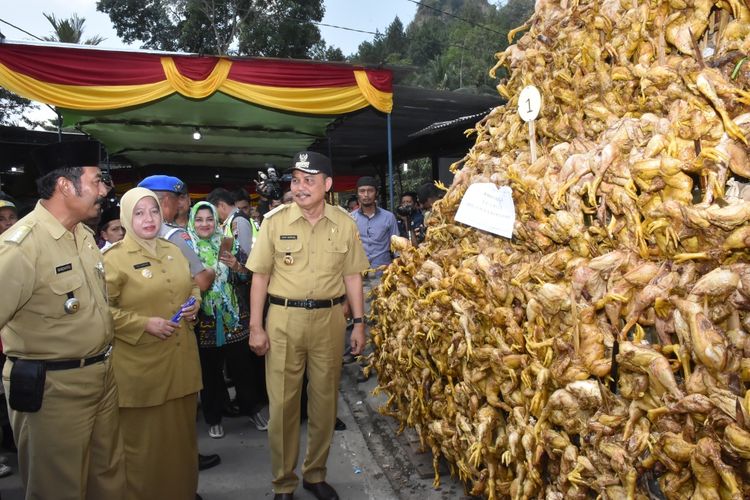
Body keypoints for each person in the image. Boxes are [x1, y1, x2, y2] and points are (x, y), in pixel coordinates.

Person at [0, 140, 126, 499]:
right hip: (53, 390)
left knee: (108, 478)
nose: (105, 190)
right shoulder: (20, 248)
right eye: (98, 180)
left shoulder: (84, 237)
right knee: (57, 488)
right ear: (65, 186)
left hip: (101, 377)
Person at [247, 151, 368, 500]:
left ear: (327, 185)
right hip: (284, 319)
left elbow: (353, 277)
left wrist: (358, 324)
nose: (299, 188)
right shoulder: (275, 221)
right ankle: (283, 482)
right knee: (283, 404)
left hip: (330, 320)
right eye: (295, 181)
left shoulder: (344, 223)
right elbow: (260, 277)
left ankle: (315, 474)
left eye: (308, 181)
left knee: (324, 401)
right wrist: (257, 326)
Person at [103, 187, 203, 500]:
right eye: (139, 212)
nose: (149, 219)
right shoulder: (113, 259)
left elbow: (192, 288)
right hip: (141, 370)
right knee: (143, 450)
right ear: (125, 217)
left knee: (182, 442)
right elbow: (100, 311)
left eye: (154, 211)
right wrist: (142, 323)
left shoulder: (173, 250)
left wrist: (194, 304)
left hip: (182, 363)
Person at [137, 175, 220, 472]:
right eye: (179, 198)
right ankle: (182, 464)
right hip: (177, 331)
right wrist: (213, 267)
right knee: (180, 402)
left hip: (144, 335)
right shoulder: (174, 237)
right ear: (167, 201)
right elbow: (200, 281)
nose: (183, 203)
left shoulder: (126, 238)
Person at [188, 201, 267, 438]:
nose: (205, 224)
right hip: (205, 322)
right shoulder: (187, 249)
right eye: (199, 219)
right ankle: (213, 418)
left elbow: (248, 278)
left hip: (236, 320)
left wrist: (237, 267)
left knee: (242, 369)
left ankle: (251, 410)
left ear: (216, 221)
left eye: (209, 219)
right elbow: (187, 284)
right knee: (210, 373)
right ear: (193, 222)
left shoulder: (227, 244)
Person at [351, 176, 400, 276]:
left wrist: (399, 270)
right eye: (362, 191)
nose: (366, 195)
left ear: (376, 193)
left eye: (370, 191)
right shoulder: (350, 218)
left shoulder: (389, 217)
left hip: (384, 274)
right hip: (358, 275)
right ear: (357, 194)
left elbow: (397, 248)